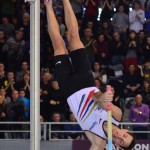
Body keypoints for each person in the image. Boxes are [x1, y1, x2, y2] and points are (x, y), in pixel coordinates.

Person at [44, 0, 135, 149]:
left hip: (70, 89)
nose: (120, 137)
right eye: (124, 135)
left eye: (121, 141)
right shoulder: (116, 116)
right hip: (86, 82)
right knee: (74, 36)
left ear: (117, 146)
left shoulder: (98, 142)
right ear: (125, 130)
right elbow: (94, 97)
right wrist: (102, 98)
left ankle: (48, 5)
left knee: (58, 44)